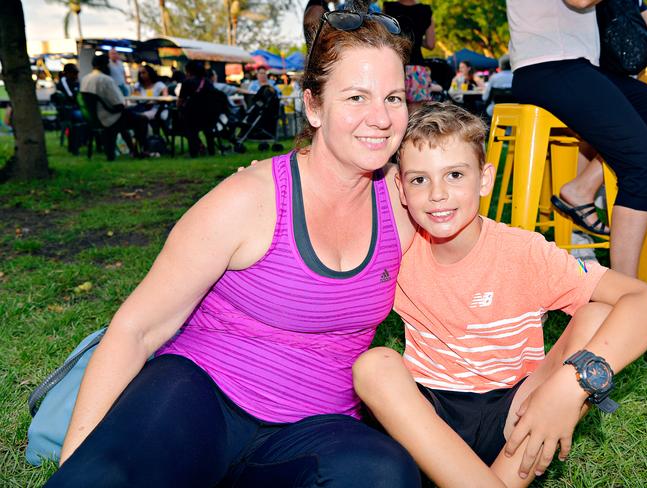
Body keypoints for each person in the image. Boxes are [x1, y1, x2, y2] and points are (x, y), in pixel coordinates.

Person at [45, 12, 422, 487]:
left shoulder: (408, 203)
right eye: (356, 97)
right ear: (314, 107)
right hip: (199, 397)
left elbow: (491, 270)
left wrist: (549, 385)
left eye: (393, 98)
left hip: (316, 428)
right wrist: (81, 459)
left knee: (385, 475)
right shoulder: (249, 198)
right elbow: (136, 329)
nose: (381, 118)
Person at [352, 102, 647, 487]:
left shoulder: (525, 252)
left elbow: (642, 300)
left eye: (455, 174)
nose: (438, 194)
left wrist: (567, 387)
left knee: (594, 317)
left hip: (519, 409)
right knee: (375, 365)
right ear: (401, 190)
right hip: (430, 416)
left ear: (484, 179)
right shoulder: (399, 249)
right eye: (420, 180)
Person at [507, 0, 647, 278]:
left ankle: (584, 187)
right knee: (642, 162)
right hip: (546, 67)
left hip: (581, 67)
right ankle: (626, 290)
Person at [79, 53, 148, 160]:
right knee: (141, 119)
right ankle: (143, 149)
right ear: (105, 65)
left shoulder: (85, 79)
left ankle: (133, 151)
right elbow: (119, 104)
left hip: (93, 118)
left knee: (125, 120)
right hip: (109, 117)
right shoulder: (106, 79)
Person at [383, 0, 436, 109]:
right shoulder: (425, 11)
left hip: (394, 65)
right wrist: (416, 39)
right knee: (416, 115)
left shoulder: (389, 8)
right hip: (417, 69)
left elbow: (382, 38)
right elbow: (431, 44)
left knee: (392, 107)